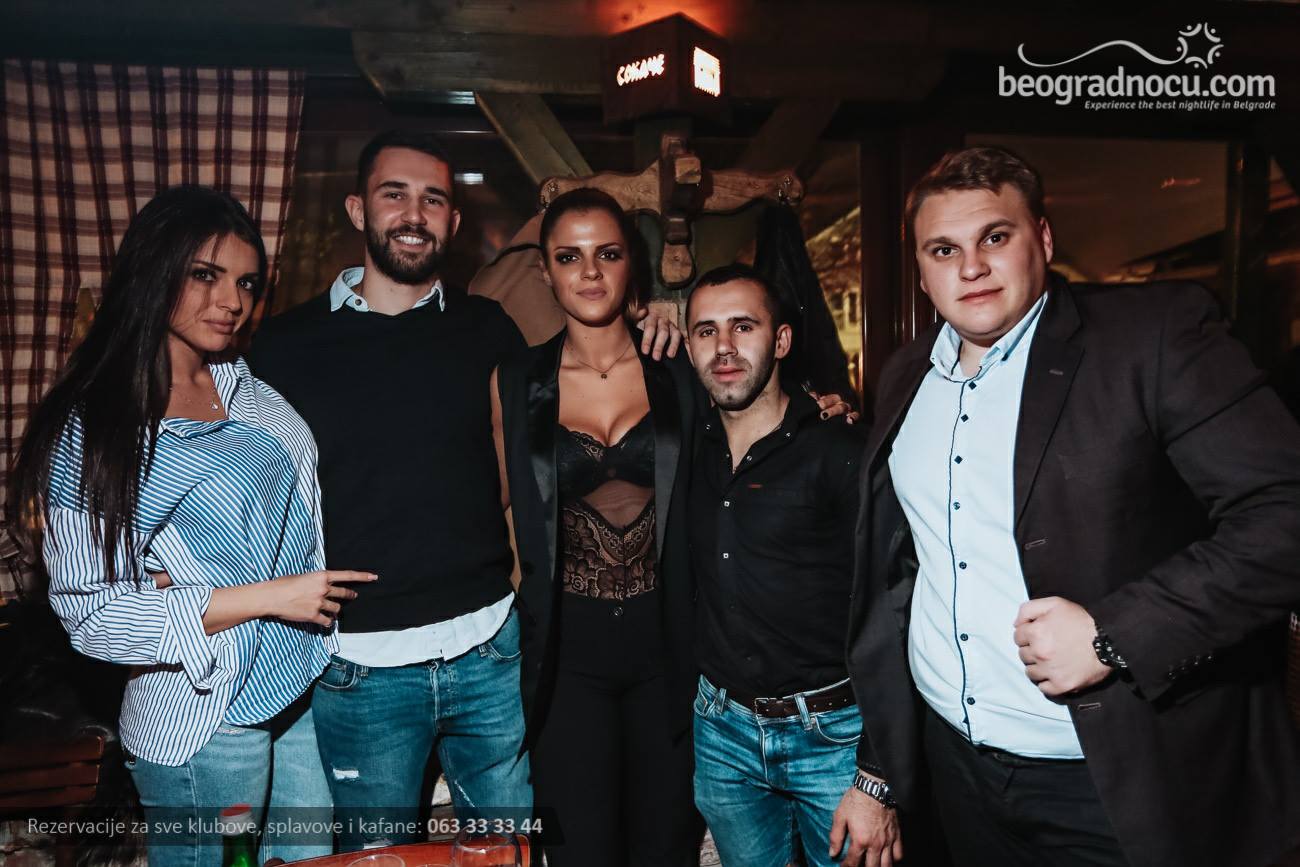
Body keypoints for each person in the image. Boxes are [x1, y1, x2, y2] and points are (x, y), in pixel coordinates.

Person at [850, 146, 1300, 867]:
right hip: (954, 769)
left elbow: (1285, 514)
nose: (971, 267)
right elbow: (907, 568)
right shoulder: (906, 374)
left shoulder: (1151, 337)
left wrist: (1113, 634)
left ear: (1044, 238)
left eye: (995, 237)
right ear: (922, 269)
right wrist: (882, 764)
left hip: (1113, 777)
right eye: (944, 249)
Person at [10, 185, 372, 867]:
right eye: (205, 275)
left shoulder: (242, 385)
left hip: (293, 683)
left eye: (246, 282)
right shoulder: (99, 427)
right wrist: (264, 596)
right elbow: (92, 613)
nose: (231, 300)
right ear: (155, 271)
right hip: (206, 717)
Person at [246, 130, 535, 850]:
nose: (414, 213)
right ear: (357, 209)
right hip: (360, 665)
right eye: (394, 194)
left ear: (453, 222)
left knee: (508, 854)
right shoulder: (283, 346)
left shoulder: (487, 327)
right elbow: (242, 486)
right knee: (377, 861)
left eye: (433, 199)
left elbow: (521, 454)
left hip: (489, 648)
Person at [491, 188, 703, 866]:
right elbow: (488, 507)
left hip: (669, 652)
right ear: (545, 271)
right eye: (569, 256)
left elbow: (756, 429)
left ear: (630, 264)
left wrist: (824, 406)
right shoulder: (515, 380)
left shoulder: (679, 367)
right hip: (566, 659)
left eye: (607, 254)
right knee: (579, 851)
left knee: (666, 849)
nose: (589, 272)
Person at [683, 264, 896, 867]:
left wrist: (878, 776)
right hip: (721, 731)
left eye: (743, 326)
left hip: (834, 737)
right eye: (706, 331)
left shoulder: (842, 452)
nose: (724, 347)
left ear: (780, 341)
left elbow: (897, 613)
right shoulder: (686, 448)